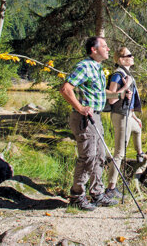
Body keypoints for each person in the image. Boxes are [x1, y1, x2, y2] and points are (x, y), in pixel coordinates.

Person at [59, 36, 125, 211]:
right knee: (88, 157)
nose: (108, 49)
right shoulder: (84, 66)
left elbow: (99, 92)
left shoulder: (97, 67)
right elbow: (66, 88)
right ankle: (77, 196)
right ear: (94, 50)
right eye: (104, 46)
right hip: (85, 118)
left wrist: (120, 94)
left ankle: (97, 193)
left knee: (99, 156)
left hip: (96, 116)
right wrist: (80, 108)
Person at [105, 46, 145, 199]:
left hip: (128, 115)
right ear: (121, 60)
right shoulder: (117, 75)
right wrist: (126, 86)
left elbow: (128, 99)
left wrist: (135, 117)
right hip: (120, 116)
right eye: (130, 55)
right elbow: (112, 98)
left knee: (138, 129)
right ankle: (111, 188)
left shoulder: (127, 74)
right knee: (119, 153)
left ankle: (140, 154)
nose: (133, 57)